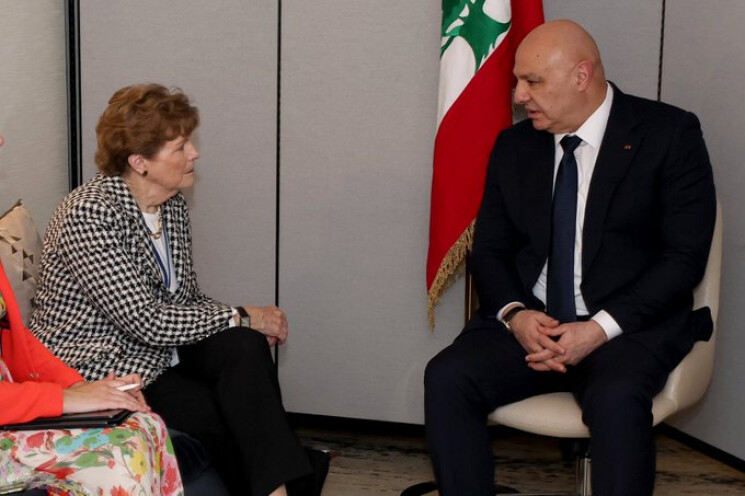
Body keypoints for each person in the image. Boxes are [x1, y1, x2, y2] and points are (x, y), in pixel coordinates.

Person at [424, 20, 716, 496]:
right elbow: (491, 250)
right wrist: (516, 316)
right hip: (534, 323)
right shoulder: (515, 146)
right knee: (448, 377)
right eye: (518, 81)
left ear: (582, 76)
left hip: (625, 327)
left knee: (617, 398)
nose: (519, 96)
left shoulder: (668, 135)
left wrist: (598, 329)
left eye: (533, 81)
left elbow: (683, 259)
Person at [29, 85, 326, 496]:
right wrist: (241, 314)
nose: (195, 154)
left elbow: (185, 300)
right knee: (217, 412)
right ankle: (293, 481)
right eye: (181, 146)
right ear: (139, 162)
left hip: (158, 349)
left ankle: (280, 489)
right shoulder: (89, 213)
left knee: (244, 346)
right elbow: (145, 320)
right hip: (103, 363)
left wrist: (243, 322)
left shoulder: (170, 204)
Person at [1, 133, 183, 496]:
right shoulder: (89, 211)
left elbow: (17, 340)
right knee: (120, 458)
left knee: (144, 424)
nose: (3, 138)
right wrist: (64, 400)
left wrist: (78, 386)